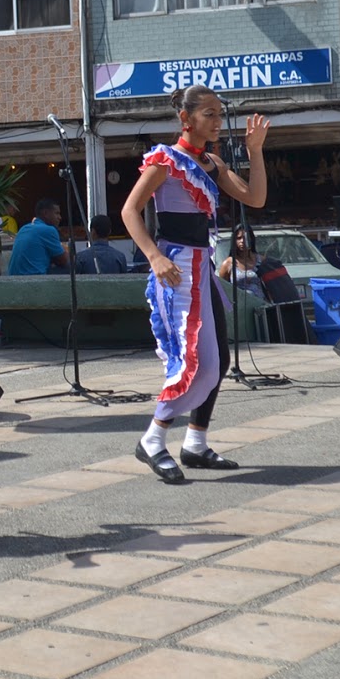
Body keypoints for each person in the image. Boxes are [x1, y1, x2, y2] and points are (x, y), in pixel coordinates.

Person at [121, 85, 268, 483]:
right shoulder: (165, 160)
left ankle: (196, 443)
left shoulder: (212, 163)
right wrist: (154, 256)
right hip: (179, 267)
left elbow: (254, 198)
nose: (217, 121)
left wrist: (255, 151)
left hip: (203, 267)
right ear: (186, 119)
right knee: (196, 364)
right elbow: (130, 211)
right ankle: (153, 438)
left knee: (217, 360)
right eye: (209, 114)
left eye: (220, 114)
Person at [7, 198, 68, 275]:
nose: (60, 217)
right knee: (76, 266)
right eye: (57, 213)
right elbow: (63, 261)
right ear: (46, 213)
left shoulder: (24, 228)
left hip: (14, 277)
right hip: (34, 277)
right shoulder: (48, 230)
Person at [216, 224, 263, 297]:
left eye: (246, 238)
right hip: (240, 307)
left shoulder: (261, 260)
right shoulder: (228, 264)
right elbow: (223, 291)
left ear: (251, 239)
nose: (242, 241)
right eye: (239, 238)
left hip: (262, 305)